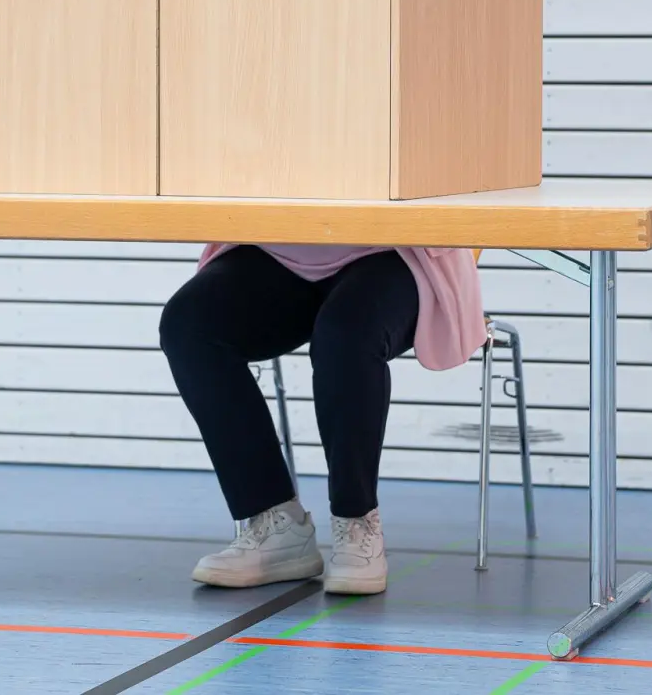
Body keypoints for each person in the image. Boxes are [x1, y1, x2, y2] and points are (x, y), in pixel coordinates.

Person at [158, 242, 485, 595]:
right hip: (282, 244)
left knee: (347, 331)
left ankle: (357, 523)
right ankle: (276, 524)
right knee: (189, 324)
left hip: (395, 250)